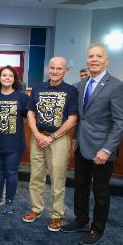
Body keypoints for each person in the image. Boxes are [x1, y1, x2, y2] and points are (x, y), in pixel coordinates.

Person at [61, 43, 123, 245]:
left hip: (102, 150)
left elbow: (121, 122)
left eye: (99, 56)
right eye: (91, 56)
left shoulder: (116, 86)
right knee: (80, 186)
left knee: (100, 191)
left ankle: (97, 228)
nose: (94, 59)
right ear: (87, 60)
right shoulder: (80, 85)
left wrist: (107, 149)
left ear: (106, 60)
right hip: (82, 146)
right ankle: (81, 219)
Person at [22, 57, 78, 232]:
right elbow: (30, 113)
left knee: (57, 178)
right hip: (38, 137)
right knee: (36, 176)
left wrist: (52, 137)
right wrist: (37, 134)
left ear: (65, 71)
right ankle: (36, 208)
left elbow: (73, 119)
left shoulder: (71, 91)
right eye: (52, 68)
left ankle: (56, 215)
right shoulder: (38, 88)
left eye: (59, 68)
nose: (55, 71)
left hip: (59, 140)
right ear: (48, 69)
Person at [0, 66, 29, 214]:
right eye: (4, 75)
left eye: (10, 76)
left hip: (15, 143)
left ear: (14, 79)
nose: (7, 78)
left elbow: (26, 118)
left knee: (11, 172)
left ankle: (9, 200)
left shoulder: (22, 97)